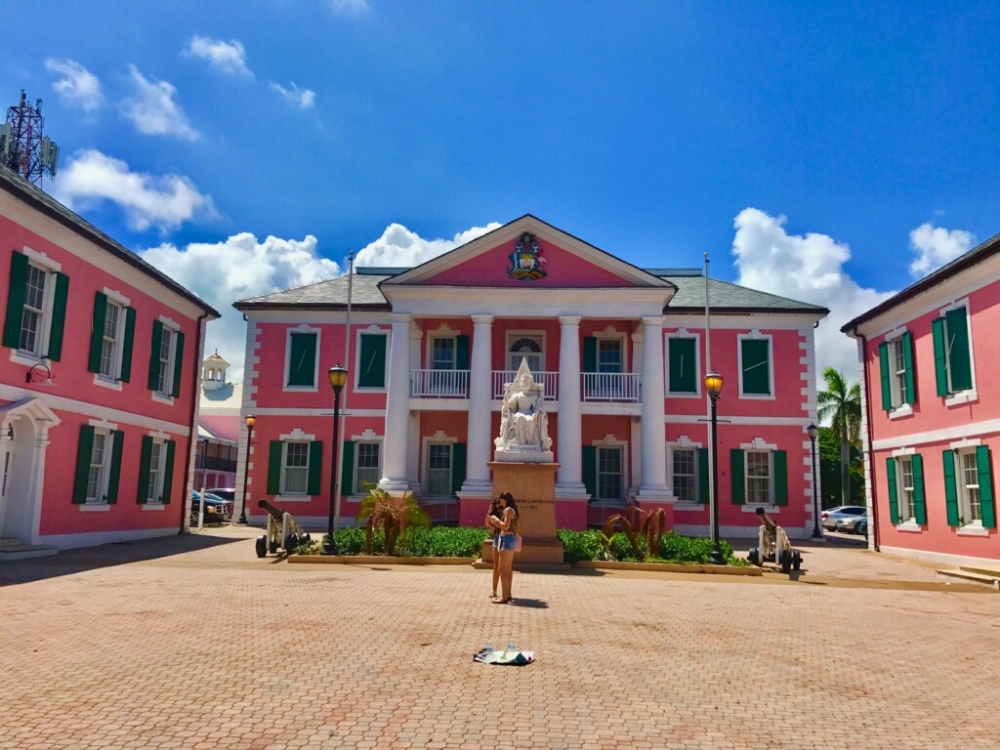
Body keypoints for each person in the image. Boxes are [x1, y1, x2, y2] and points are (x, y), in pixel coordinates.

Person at [497, 371, 550, 450]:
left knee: (530, 420)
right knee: (520, 418)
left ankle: (530, 440)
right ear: (520, 384)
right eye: (523, 382)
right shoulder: (517, 396)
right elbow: (509, 405)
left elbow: (538, 408)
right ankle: (519, 440)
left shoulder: (533, 397)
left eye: (527, 382)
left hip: (529, 413)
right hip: (519, 413)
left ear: (530, 385)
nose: (525, 384)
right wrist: (506, 398)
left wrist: (535, 414)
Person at [493, 492, 519, 604]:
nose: (500, 502)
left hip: (506, 539)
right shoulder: (512, 510)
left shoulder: (508, 510)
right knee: (507, 569)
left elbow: (506, 526)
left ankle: (504, 596)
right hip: (510, 539)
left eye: (501, 500)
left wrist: (497, 521)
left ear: (506, 499)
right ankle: (507, 595)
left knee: (502, 569)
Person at [485, 497, 503, 599]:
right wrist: (489, 512)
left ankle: (506, 591)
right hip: (497, 538)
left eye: (498, 504)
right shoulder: (494, 512)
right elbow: (487, 524)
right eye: (495, 504)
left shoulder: (507, 511)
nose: (497, 506)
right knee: (496, 566)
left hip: (505, 538)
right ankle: (494, 591)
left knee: (503, 567)